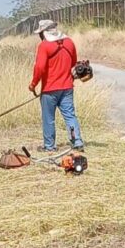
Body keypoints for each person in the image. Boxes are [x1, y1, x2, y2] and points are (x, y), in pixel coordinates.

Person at [29, 20, 84, 153]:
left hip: (49, 90)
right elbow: (74, 62)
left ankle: (49, 146)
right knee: (70, 116)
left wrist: (33, 84)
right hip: (67, 87)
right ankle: (77, 142)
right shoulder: (69, 42)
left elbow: (40, 67)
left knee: (49, 119)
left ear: (44, 32)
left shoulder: (44, 46)